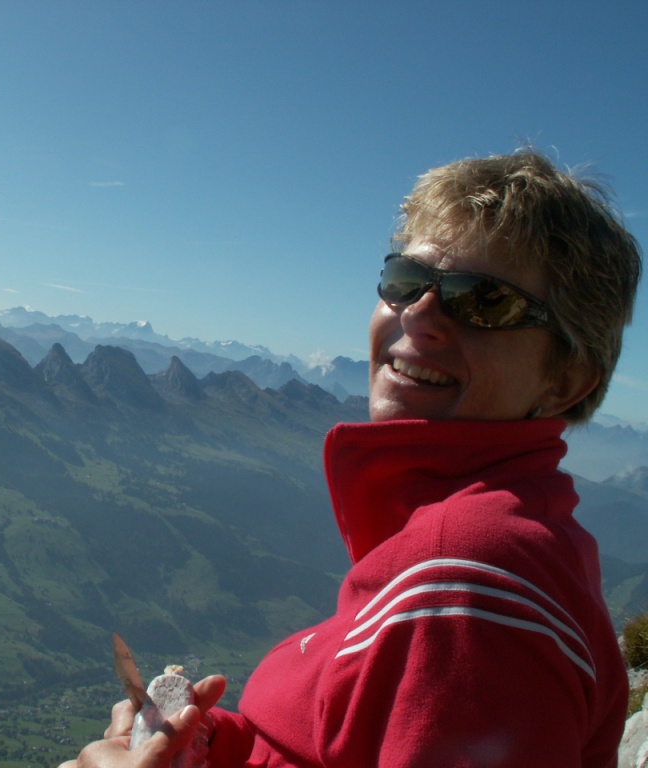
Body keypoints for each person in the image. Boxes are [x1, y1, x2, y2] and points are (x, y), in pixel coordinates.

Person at [62, 149, 643, 768]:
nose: (419, 313)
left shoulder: (467, 582)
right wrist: (207, 743)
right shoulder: (525, 536)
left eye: (484, 301)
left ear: (566, 380)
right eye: (406, 280)